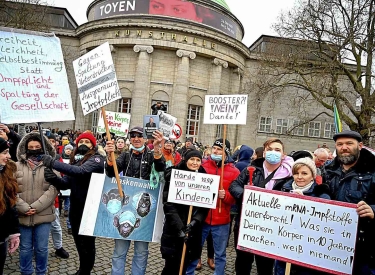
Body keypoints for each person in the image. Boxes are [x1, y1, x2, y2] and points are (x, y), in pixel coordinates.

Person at [105, 126, 165, 275]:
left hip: (144, 210)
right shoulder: (125, 156)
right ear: (130, 138)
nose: (136, 139)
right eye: (133, 136)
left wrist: (158, 150)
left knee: (141, 251)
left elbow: (161, 167)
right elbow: (111, 173)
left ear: (145, 138)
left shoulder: (151, 155)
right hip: (126, 208)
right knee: (119, 250)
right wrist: (109, 156)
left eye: (139, 136)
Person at [42, 131, 105, 275]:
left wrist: (53, 163)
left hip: (90, 208)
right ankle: (82, 269)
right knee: (79, 242)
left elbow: (81, 171)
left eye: (87, 142)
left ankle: (85, 271)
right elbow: (65, 184)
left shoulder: (97, 159)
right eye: (81, 142)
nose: (83, 144)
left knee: (87, 244)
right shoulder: (76, 161)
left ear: (93, 145)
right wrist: (53, 178)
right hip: (76, 208)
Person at [229, 138, 294, 275]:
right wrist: (246, 196)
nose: (273, 152)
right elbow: (234, 186)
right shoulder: (250, 170)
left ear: (283, 155)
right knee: (242, 263)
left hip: (270, 230)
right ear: (264, 153)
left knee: (265, 266)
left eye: (277, 150)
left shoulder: (289, 177)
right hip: (246, 225)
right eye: (269, 149)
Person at [186, 138, 240, 275]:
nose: (215, 151)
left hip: (221, 221)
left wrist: (226, 195)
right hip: (201, 218)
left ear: (226, 153)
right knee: (194, 251)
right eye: (214, 148)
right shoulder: (202, 165)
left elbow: (236, 197)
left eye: (219, 149)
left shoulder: (234, 172)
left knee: (220, 254)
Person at [324, 130, 375, 274]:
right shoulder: (327, 170)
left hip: (364, 248)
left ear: (360, 146)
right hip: (330, 243)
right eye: (340, 144)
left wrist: (373, 210)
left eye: (349, 143)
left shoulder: (372, 171)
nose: (344, 147)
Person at [274, 157, 330, 275]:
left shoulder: (322, 194)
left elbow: (323, 224)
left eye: (304, 173)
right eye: (296, 173)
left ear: (312, 175)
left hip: (308, 254)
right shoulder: (282, 189)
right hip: (283, 249)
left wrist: (305, 202)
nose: (299, 177)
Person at [15, 132, 59, 275]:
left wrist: (36, 207)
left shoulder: (52, 166)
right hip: (23, 214)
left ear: (44, 147)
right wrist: (23, 207)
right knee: (25, 248)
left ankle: (41, 272)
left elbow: (54, 188)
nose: (34, 149)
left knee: (42, 248)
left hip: (44, 214)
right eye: (31, 147)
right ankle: (26, 272)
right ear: (25, 148)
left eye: (37, 147)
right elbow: (10, 189)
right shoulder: (15, 167)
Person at [161, 150, 209, 274]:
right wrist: (179, 227)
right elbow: (168, 204)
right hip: (174, 229)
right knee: (171, 267)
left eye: (198, 160)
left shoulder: (205, 177)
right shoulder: (174, 175)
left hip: (192, 230)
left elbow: (206, 206)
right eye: (192, 159)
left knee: (185, 265)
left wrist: (195, 221)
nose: (195, 162)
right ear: (185, 160)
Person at [47, 135, 70, 259]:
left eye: (52, 141)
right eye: (48, 141)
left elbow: (64, 175)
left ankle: (58, 247)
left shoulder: (57, 158)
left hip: (53, 200)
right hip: (36, 200)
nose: (51, 143)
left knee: (55, 225)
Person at [0, 137, 20, 274]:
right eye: (5, 152)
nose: (9, 156)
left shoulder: (6, 173)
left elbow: (11, 206)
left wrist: (13, 233)